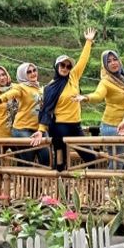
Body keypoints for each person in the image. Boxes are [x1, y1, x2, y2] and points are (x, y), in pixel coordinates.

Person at [31, 28, 97, 171]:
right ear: (56, 66)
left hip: (76, 126)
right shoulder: (50, 87)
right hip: (59, 127)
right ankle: (62, 191)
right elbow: (46, 109)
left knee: (90, 157)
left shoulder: (73, 77)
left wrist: (88, 42)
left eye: (68, 66)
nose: (65, 68)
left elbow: (83, 61)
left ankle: (93, 191)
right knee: (61, 163)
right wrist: (41, 129)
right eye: (62, 65)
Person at [74, 50, 124, 169]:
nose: (113, 63)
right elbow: (98, 95)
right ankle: (111, 186)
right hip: (113, 126)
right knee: (118, 160)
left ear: (119, 60)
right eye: (109, 61)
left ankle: (120, 187)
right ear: (105, 66)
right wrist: (86, 97)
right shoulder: (106, 81)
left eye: (115, 59)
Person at [0, 62, 50, 166]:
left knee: (46, 159)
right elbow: (11, 93)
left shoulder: (40, 89)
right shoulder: (21, 87)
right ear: (23, 75)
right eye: (29, 72)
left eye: (34, 70)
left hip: (39, 129)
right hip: (23, 129)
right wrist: (0, 99)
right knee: (27, 161)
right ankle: (27, 181)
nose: (33, 73)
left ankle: (38, 181)